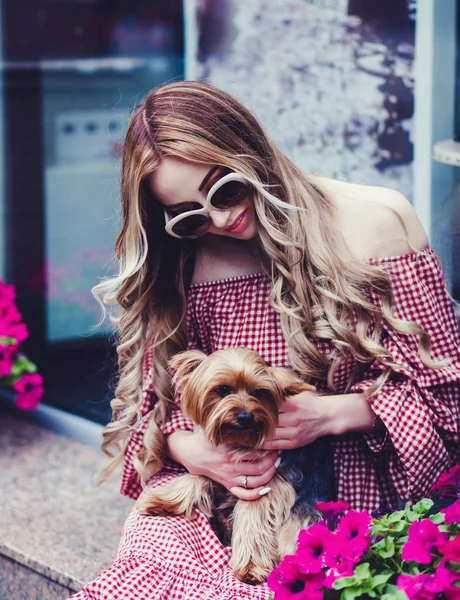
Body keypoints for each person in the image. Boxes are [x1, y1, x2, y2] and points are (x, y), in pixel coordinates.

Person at [70, 81, 460, 600]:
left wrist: (330, 413)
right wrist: (193, 450)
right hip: (212, 487)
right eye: (190, 216)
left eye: (226, 189)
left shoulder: (374, 223)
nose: (222, 218)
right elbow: (154, 408)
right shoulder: (188, 258)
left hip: (342, 502)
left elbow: (447, 395)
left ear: (249, 147)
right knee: (151, 569)